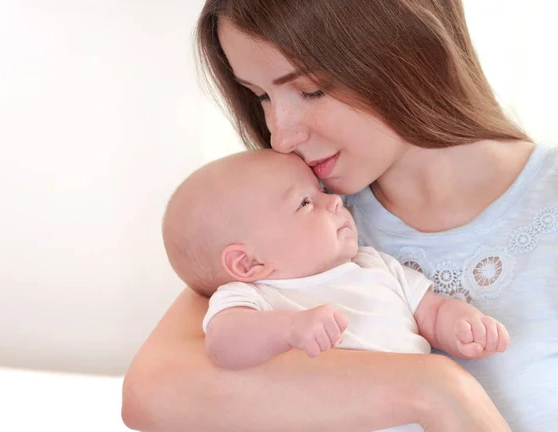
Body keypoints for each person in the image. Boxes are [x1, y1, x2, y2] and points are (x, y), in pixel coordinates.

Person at [122, 1, 558, 431]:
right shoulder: (293, 221)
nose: (281, 135)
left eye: (311, 89)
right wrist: (436, 388)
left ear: (407, 47)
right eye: (260, 96)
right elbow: (152, 392)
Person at [161, 148, 510, 432]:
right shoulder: (253, 295)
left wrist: (463, 324)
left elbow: (430, 311)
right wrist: (288, 329)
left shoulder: (373, 265)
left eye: (323, 191)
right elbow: (223, 346)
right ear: (247, 264)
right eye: (304, 203)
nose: (335, 203)